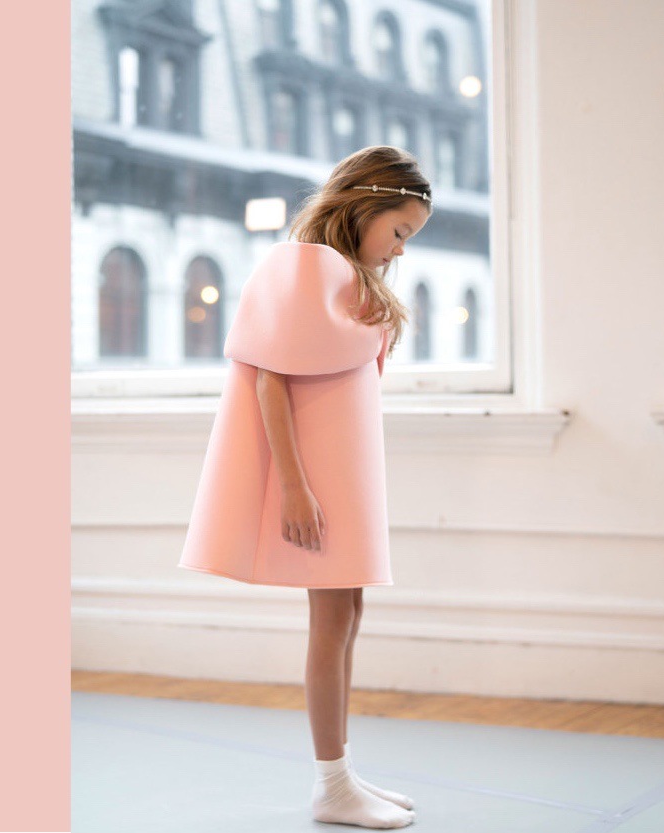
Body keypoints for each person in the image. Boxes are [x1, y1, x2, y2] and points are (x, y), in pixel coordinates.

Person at [178, 146, 432, 828]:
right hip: (318, 477)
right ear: (361, 206)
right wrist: (293, 485)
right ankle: (331, 783)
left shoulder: (344, 278)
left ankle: (342, 772)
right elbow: (271, 378)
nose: (400, 250)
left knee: (347, 613)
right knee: (331, 622)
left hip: (346, 473)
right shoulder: (306, 267)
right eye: (399, 231)